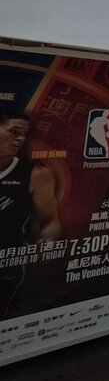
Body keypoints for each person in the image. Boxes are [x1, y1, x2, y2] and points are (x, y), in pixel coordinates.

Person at [1, 112, 61, 319]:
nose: (20, 138)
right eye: (14, 131)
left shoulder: (37, 175)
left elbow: (50, 221)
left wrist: (47, 240)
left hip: (6, 265)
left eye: (24, 133)